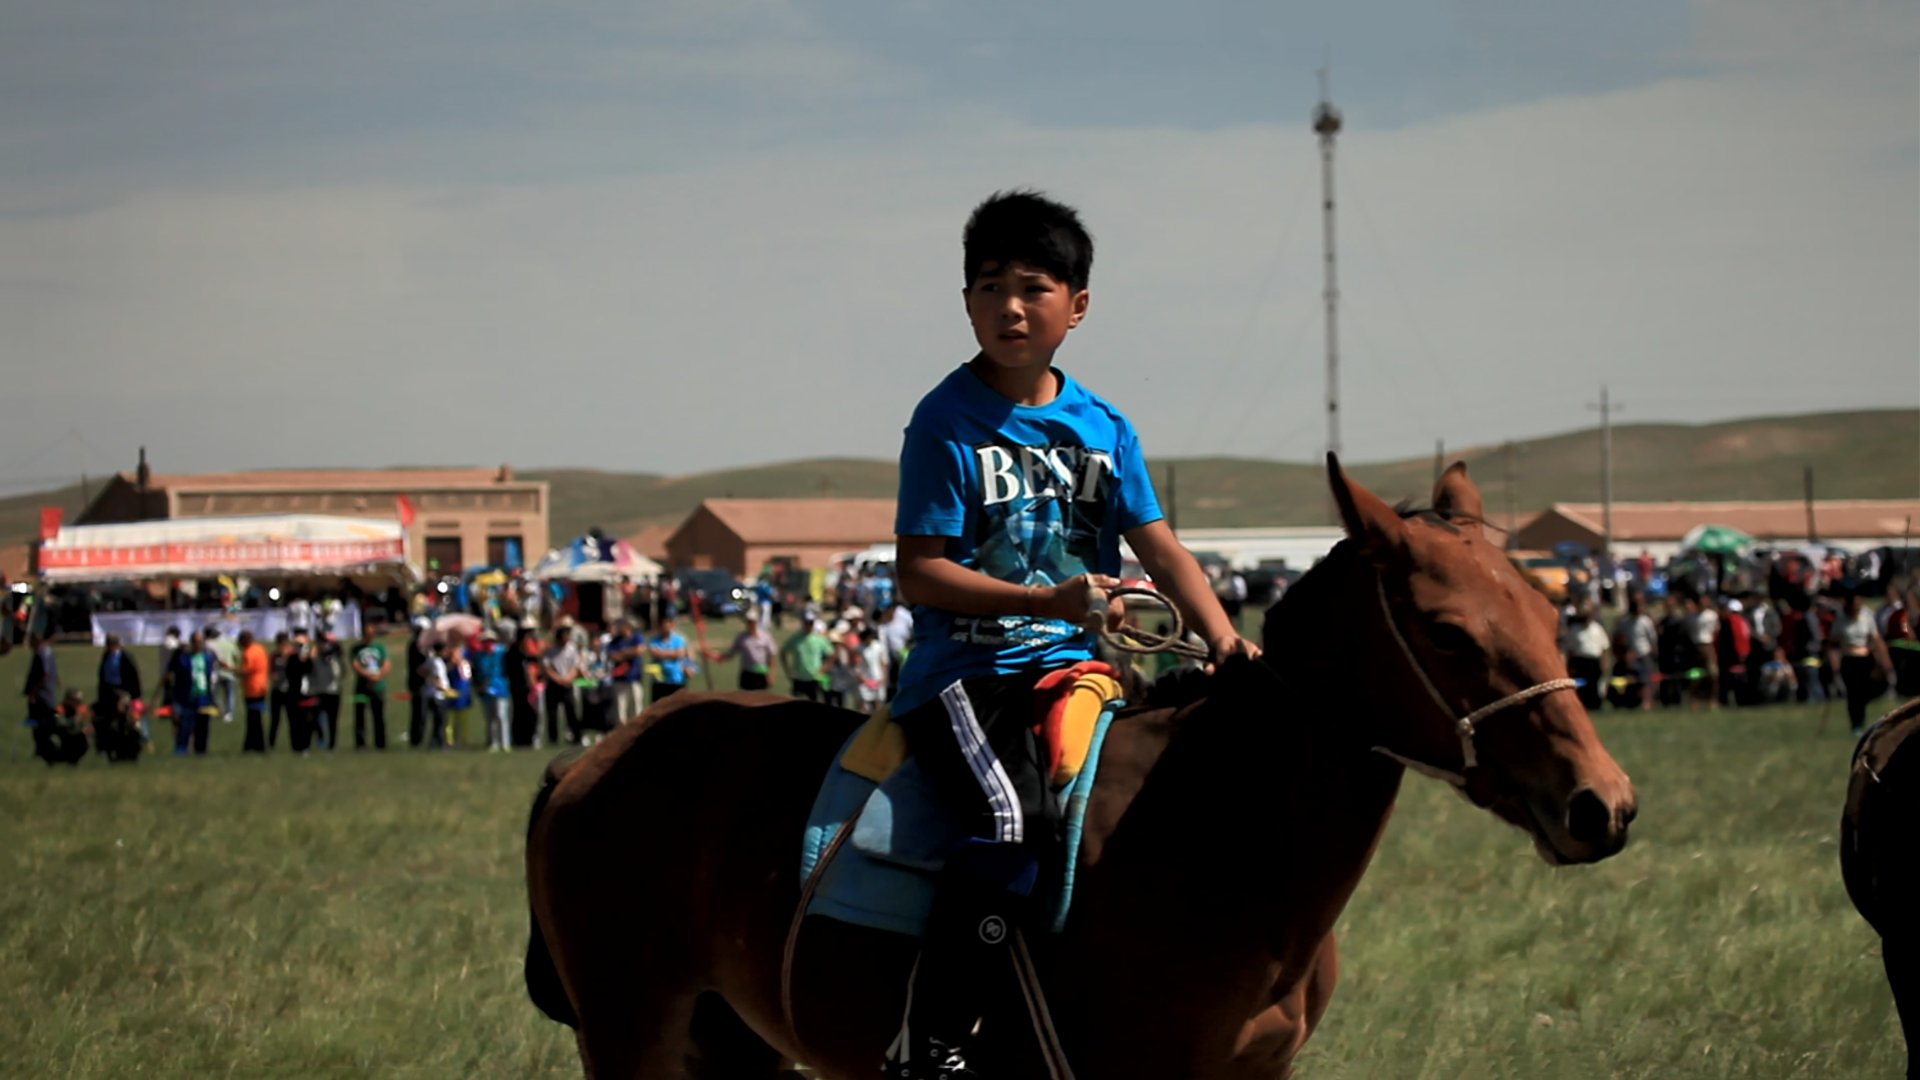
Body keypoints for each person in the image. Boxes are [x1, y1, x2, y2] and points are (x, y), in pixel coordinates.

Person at [880, 191, 1257, 1076]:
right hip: (967, 675)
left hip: (1080, 670)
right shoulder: (945, 422)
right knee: (1011, 817)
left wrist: (1226, 642)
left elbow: (1165, 555)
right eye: (988, 287)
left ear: (1076, 307)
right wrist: (1046, 602)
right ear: (966, 301)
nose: (1009, 307)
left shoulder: (1104, 426)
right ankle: (930, 1040)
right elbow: (918, 572)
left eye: (1033, 287)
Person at [1828, 587, 1894, 736]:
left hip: (1865, 659)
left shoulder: (1867, 616)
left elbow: (1875, 638)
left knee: (1867, 690)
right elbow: (1832, 642)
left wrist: (1884, 659)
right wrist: (1834, 660)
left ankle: (1861, 714)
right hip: (1849, 659)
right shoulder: (1841, 619)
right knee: (1853, 693)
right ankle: (1856, 724)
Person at [170, 630, 220, 755]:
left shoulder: (207, 658)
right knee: (185, 726)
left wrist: (212, 697)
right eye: (196, 642)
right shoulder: (184, 659)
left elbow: (211, 678)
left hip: (204, 697)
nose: (199, 644)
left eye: (201, 642)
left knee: (203, 727)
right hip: (187, 698)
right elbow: (177, 679)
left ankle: (201, 750)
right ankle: (182, 750)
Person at [1611, 595, 1658, 711]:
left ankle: (1646, 702)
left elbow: (1652, 639)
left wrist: (1653, 653)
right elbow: (1618, 636)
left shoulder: (1646, 622)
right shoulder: (1625, 622)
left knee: (1645, 680)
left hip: (1643, 653)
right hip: (1628, 655)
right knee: (1628, 680)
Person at [1561, 603, 1610, 709]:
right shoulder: (1574, 630)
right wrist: (1569, 664)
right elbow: (1570, 649)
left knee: (1594, 684)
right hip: (1580, 660)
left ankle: (1595, 705)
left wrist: (1604, 662)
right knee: (1581, 685)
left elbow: (1604, 647)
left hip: (1594, 660)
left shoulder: (1597, 628)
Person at [351, 623, 390, 749]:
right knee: (360, 716)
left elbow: (386, 664)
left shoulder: (380, 647)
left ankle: (381, 743)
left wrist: (378, 676)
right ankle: (360, 744)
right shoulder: (356, 649)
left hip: (378, 687)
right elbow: (355, 665)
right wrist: (367, 676)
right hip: (361, 687)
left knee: (378, 716)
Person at [717, 609, 778, 691]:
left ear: (756, 622)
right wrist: (720, 657)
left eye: (753, 621)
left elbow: (772, 654)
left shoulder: (765, 636)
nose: (751, 624)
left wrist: (771, 673)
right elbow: (732, 652)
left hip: (761, 672)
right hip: (747, 673)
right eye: (749, 622)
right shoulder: (742, 637)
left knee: (761, 699)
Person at [542, 623, 582, 745]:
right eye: (566, 635)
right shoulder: (551, 650)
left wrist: (568, 678)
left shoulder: (572, 649)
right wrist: (558, 679)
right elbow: (547, 667)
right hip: (554, 685)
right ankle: (553, 739)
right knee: (552, 713)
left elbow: (576, 666)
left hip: (568, 684)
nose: (568, 637)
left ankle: (576, 737)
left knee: (571, 712)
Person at [474, 628, 511, 752]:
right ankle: (493, 742)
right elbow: (477, 672)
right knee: (490, 717)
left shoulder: (501, 652)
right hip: (486, 689)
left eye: (491, 640)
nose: (488, 643)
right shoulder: (479, 655)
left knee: (501, 715)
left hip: (500, 687)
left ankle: (505, 743)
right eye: (486, 640)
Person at [644, 615, 690, 704]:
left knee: (678, 706)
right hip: (659, 680)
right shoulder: (654, 640)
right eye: (664, 625)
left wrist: (661, 653)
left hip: (677, 679)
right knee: (658, 707)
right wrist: (673, 653)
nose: (667, 628)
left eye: (669, 625)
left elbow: (680, 653)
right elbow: (653, 652)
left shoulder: (679, 639)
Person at [781, 619, 830, 701]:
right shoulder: (795, 638)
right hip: (798, 678)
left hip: (814, 678)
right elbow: (783, 652)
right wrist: (787, 671)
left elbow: (831, 654)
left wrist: (824, 668)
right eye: (807, 623)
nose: (808, 626)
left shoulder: (818, 639)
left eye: (810, 624)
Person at [311, 630, 345, 750]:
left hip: (333, 691)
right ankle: (321, 740)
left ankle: (332, 744)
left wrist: (333, 657)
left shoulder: (334, 658)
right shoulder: (315, 657)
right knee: (315, 719)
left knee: (333, 720)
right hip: (319, 691)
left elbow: (340, 674)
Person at [238, 630, 271, 753]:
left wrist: (229, 668)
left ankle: (257, 745)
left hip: (252, 689)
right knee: (255, 717)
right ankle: (251, 744)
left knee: (253, 718)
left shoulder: (248, 653)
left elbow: (246, 671)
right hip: (262, 686)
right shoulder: (260, 649)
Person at [608, 619, 646, 723]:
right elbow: (614, 657)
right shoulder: (614, 641)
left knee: (636, 706)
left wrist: (624, 652)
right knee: (621, 708)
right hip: (620, 679)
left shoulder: (637, 637)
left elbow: (640, 650)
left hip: (635, 677)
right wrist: (631, 652)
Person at [204, 625, 240, 726]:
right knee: (230, 695)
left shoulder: (211, 644)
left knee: (214, 694)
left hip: (217, 672)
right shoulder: (229, 642)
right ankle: (229, 714)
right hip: (229, 672)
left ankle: (221, 709)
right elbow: (237, 655)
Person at [405, 617, 432, 747]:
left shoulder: (422, 644)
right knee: (419, 712)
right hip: (418, 683)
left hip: (422, 682)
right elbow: (418, 666)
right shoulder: (416, 645)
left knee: (422, 712)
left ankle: (422, 738)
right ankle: (416, 739)